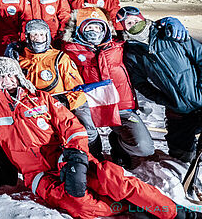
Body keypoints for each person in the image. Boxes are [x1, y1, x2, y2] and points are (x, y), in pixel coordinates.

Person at [0, 56, 192, 219]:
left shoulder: (42, 99)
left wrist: (76, 154)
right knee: (81, 207)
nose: (7, 79)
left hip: (64, 158)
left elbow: (71, 125)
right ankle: (129, 207)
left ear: (18, 75)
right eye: (2, 76)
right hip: (37, 174)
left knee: (113, 179)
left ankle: (177, 213)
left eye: (11, 74)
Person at [62, 8, 154, 165]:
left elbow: (144, 35)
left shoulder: (119, 45)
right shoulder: (68, 50)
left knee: (143, 147)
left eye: (97, 27)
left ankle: (118, 146)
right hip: (88, 106)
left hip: (120, 106)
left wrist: (167, 24)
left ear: (105, 29)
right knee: (86, 133)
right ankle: (94, 155)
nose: (94, 32)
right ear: (80, 29)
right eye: (89, 28)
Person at [120, 6, 202, 163]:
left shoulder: (170, 34)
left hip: (200, 99)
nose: (134, 24)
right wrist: (164, 100)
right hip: (178, 110)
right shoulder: (132, 53)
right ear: (124, 28)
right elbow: (140, 83)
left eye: (136, 20)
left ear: (143, 18)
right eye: (129, 23)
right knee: (180, 155)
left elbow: (200, 57)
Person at [7, 19, 98, 154]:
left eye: (42, 34)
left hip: (61, 106)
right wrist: (9, 58)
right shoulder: (19, 60)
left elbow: (77, 90)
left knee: (86, 130)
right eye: (34, 35)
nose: (38, 38)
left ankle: (93, 155)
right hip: (33, 109)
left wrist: (66, 104)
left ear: (48, 36)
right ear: (27, 37)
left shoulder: (60, 58)